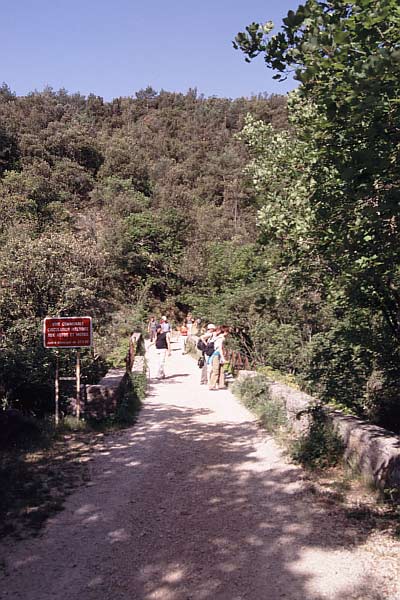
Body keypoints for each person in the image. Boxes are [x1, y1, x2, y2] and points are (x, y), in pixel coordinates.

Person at [208, 326, 230, 390]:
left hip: (218, 355)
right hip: (217, 355)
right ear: (225, 332)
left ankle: (221, 384)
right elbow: (219, 348)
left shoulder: (218, 337)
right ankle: (212, 385)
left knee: (222, 370)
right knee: (216, 370)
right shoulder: (221, 338)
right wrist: (223, 358)